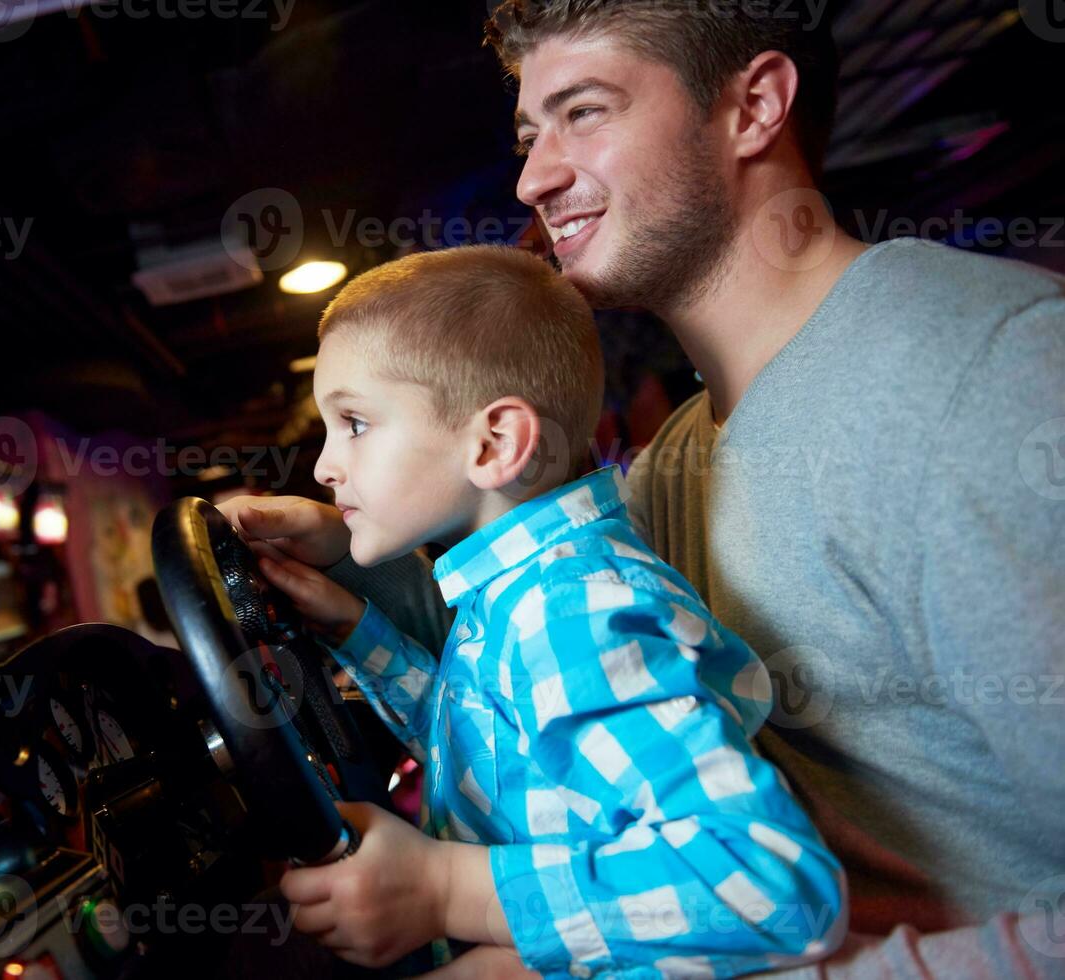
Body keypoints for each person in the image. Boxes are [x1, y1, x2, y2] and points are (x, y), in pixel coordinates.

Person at [223, 2, 1065, 976]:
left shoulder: (990, 377)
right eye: (530, 134)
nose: (534, 176)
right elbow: (536, 677)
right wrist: (345, 565)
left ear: (751, 106)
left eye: (583, 112)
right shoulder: (676, 456)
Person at [248, 245, 847, 979]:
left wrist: (443, 892)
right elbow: (501, 748)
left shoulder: (569, 610)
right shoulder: (519, 585)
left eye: (356, 424)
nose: (322, 466)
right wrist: (353, 628)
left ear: (495, 443)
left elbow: (771, 888)